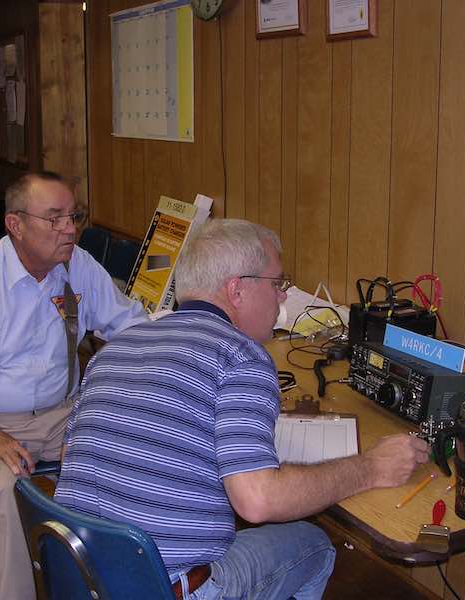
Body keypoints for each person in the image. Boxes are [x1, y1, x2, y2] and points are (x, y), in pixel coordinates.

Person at [55, 218, 429, 600]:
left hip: (78, 578)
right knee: (313, 543)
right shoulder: (240, 355)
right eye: (277, 284)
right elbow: (257, 500)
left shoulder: (117, 348)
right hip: (166, 589)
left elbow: (70, 456)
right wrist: (371, 468)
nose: (282, 296)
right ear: (237, 290)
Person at [0, 172, 148, 599]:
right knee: (7, 483)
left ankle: (109, 580)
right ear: (16, 225)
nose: (69, 228)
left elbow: (128, 325)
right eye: (54, 218)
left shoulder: (77, 265)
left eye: (74, 216)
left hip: (64, 413)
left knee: (127, 454)